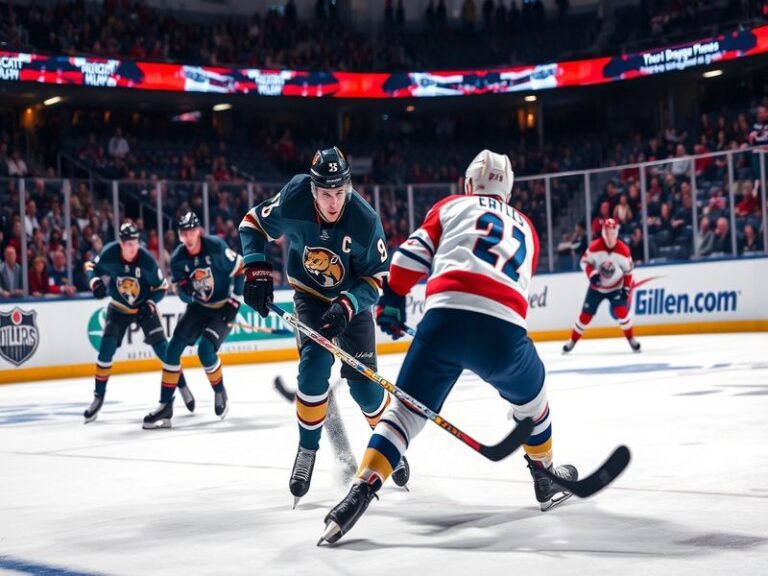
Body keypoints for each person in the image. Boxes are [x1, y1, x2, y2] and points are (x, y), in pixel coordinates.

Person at [319, 150, 577, 545]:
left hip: (442, 323)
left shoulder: (452, 205)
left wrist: (393, 300)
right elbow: (514, 288)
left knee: (404, 414)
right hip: (503, 336)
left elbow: (407, 258)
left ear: (468, 185)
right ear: (508, 190)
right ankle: (544, 475)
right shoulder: (527, 226)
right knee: (534, 401)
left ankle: (358, 493)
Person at [239, 146, 409, 506]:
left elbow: (377, 279)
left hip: (352, 301)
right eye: (326, 194)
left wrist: (348, 304)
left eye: (339, 193)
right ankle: (307, 449)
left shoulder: (364, 219)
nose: (333, 203)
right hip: (311, 298)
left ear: (347, 187)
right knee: (313, 372)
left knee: (365, 389)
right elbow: (251, 224)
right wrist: (255, 266)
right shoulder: (295, 196)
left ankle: (388, 443)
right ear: (313, 190)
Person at [142, 211, 243, 429]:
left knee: (205, 351)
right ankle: (166, 405)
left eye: (191, 231)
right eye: (184, 232)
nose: (188, 236)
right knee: (171, 351)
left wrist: (235, 302)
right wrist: (185, 291)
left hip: (221, 308)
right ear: (180, 235)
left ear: (198, 231)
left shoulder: (215, 246)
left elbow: (241, 268)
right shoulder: (178, 257)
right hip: (198, 309)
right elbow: (183, 292)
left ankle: (219, 392)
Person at [83, 221, 191, 423]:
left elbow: (162, 287)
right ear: (121, 243)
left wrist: (149, 303)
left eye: (135, 242)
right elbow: (91, 266)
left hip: (143, 307)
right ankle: (98, 397)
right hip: (119, 308)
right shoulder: (109, 252)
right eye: (128, 243)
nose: (133, 247)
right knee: (106, 348)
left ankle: (182, 385)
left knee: (164, 351)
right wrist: (94, 281)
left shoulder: (147, 260)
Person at [562, 219, 641, 354]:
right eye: (608, 232)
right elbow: (584, 263)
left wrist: (626, 288)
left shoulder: (623, 250)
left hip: (616, 286)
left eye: (613, 232)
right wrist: (592, 275)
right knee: (585, 317)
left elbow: (628, 271)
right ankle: (572, 341)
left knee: (622, 313)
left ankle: (631, 339)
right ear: (603, 233)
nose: (610, 236)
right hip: (596, 288)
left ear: (616, 232)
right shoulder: (594, 247)